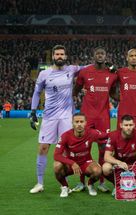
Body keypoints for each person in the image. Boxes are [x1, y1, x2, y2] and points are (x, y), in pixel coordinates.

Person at [29, 45, 84, 194]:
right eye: (57, 54)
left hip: (66, 117)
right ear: (53, 56)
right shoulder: (44, 74)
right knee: (43, 148)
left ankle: (64, 185)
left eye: (62, 54)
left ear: (65, 56)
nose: (59, 56)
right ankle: (40, 183)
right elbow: (36, 92)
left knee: (66, 151)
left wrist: (106, 65)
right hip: (49, 117)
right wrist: (33, 111)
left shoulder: (71, 70)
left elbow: (89, 67)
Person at [72, 47, 118, 193]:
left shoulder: (112, 74)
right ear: (93, 56)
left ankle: (101, 182)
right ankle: (81, 182)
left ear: (106, 56)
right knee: (82, 148)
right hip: (87, 116)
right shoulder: (85, 72)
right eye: (97, 53)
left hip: (103, 117)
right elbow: (76, 89)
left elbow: (114, 94)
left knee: (103, 150)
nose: (100, 55)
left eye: (102, 53)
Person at [53, 113, 109, 197]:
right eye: (76, 122)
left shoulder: (91, 132)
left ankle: (90, 184)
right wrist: (72, 163)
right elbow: (56, 155)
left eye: (81, 121)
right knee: (57, 166)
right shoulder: (65, 136)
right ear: (72, 123)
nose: (79, 124)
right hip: (70, 164)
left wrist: (123, 131)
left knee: (98, 171)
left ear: (85, 123)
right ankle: (65, 187)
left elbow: (107, 135)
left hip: (86, 163)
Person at [102, 114, 136, 196]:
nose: (128, 127)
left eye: (131, 125)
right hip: (120, 167)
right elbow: (106, 156)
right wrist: (118, 162)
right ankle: (118, 186)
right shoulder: (113, 136)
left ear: (134, 125)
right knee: (106, 168)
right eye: (126, 125)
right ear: (121, 125)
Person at [116, 49, 136, 134]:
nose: (133, 58)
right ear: (127, 58)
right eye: (131, 56)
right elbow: (109, 86)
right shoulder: (120, 72)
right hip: (123, 113)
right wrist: (119, 98)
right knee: (121, 140)